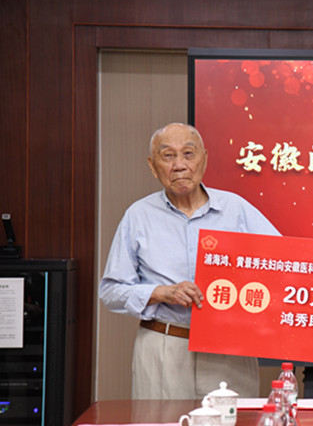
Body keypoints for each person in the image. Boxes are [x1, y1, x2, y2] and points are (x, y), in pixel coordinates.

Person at [99, 122, 280, 399]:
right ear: (152, 166)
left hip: (228, 348)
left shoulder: (236, 209)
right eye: (168, 156)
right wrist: (161, 293)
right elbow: (111, 291)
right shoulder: (138, 215)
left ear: (204, 159)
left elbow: (284, 266)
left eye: (188, 154)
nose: (179, 165)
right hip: (164, 344)